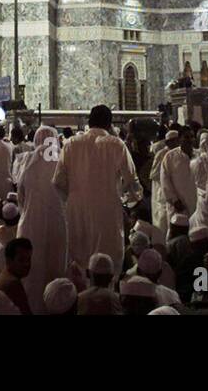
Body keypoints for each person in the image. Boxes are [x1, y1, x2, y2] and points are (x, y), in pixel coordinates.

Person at [53, 105, 144, 270]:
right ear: (109, 125)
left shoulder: (71, 144)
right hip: (107, 210)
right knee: (106, 261)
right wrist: (126, 202)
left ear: (89, 121)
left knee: (79, 260)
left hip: (77, 210)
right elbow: (132, 181)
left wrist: (73, 197)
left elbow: (58, 181)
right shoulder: (116, 145)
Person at [158, 127, 197, 232]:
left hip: (197, 204)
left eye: (192, 137)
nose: (190, 140)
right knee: (177, 237)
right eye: (187, 137)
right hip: (178, 205)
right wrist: (174, 200)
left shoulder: (199, 155)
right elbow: (165, 181)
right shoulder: (170, 157)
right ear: (180, 139)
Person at [0, 237, 34, 314]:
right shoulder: (12, 284)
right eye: (21, 260)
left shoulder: (5, 276)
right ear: (9, 260)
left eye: (28, 259)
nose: (27, 264)